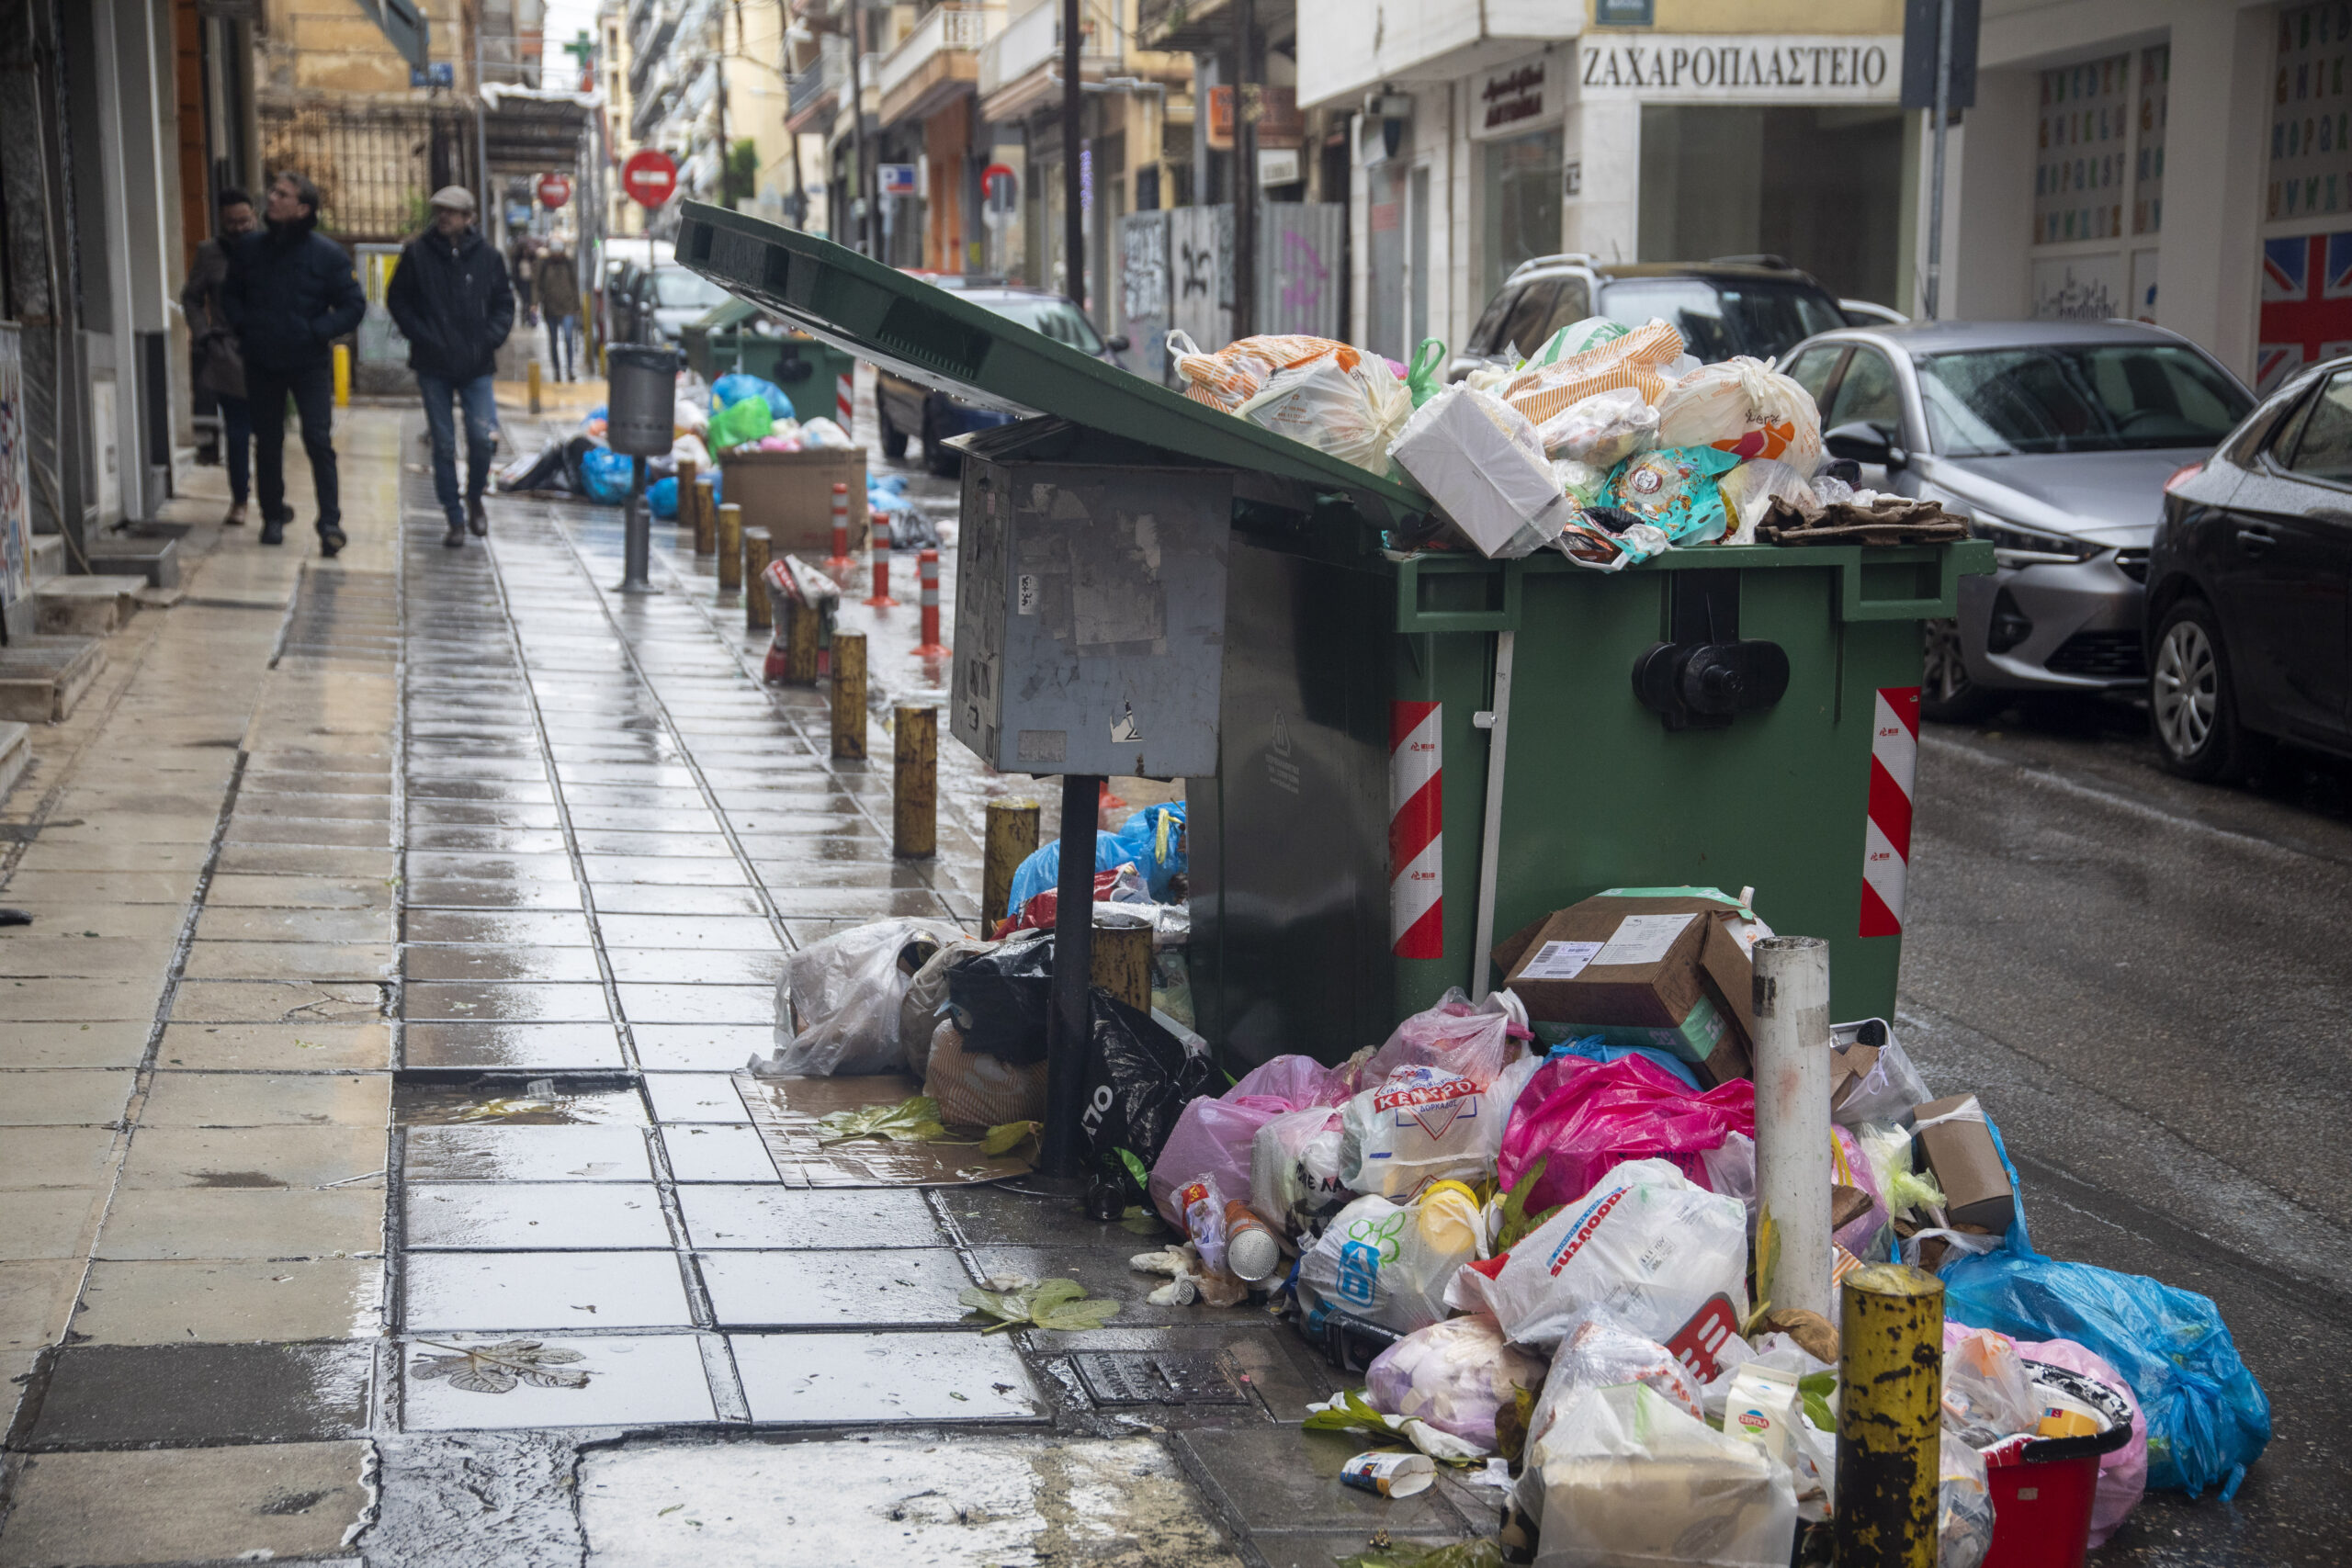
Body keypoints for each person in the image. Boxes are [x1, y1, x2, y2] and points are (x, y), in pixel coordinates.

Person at [222, 171, 367, 554]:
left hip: (309, 363)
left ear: (303, 208)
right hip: (262, 360)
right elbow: (230, 295)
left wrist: (318, 330)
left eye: (282, 194)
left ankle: (330, 522)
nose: (271, 198)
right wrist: (245, 328)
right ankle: (272, 516)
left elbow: (353, 305)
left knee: (318, 439)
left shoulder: (327, 255)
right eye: (272, 191)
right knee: (267, 441)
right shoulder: (250, 250)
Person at [386, 186, 515, 548]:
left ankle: (474, 495)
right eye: (439, 211)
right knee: (443, 444)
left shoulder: (488, 257)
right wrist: (421, 334)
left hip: (476, 364)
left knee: (481, 438)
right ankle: (454, 517)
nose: (444, 217)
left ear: (469, 218)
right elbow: (397, 298)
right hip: (433, 363)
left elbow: (505, 303)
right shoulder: (418, 254)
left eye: (452, 212)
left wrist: (489, 338)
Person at [179, 186, 258, 525]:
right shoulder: (209, 253)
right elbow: (191, 298)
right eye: (231, 223)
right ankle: (239, 499)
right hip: (227, 351)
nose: (239, 228)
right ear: (221, 222)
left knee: (269, 434)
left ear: (254, 217)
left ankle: (272, 501)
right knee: (238, 431)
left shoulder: (270, 248)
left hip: (269, 351)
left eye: (245, 221)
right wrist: (204, 335)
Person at [536, 238, 581, 382]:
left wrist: (577, 306)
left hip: (568, 307)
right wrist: (534, 303)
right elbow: (537, 285)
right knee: (553, 340)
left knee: (568, 338)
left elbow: (575, 286)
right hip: (551, 308)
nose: (556, 254)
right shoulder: (545, 266)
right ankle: (557, 370)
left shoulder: (568, 265)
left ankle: (569, 369)